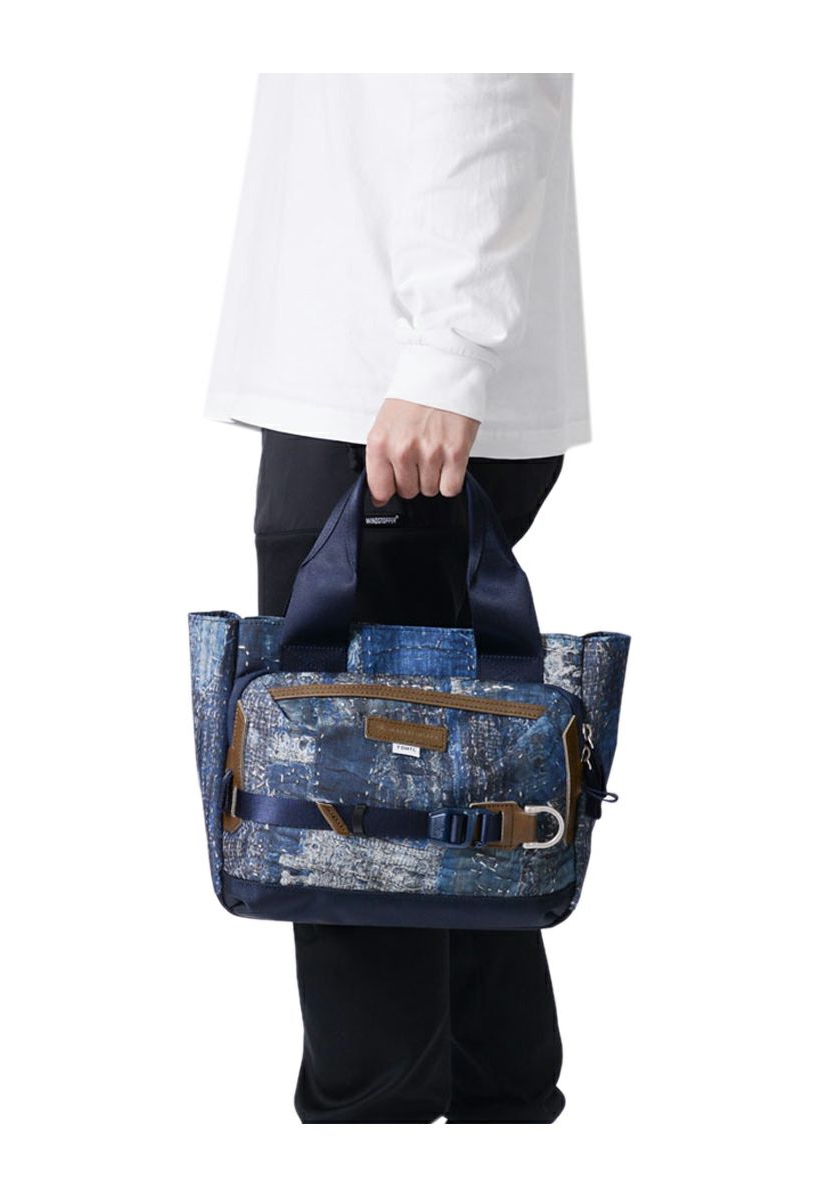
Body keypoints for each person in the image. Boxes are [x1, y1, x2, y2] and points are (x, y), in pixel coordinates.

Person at [206, 74, 591, 1123]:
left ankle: (378, 1129)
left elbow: (486, 70)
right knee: (452, 828)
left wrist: (448, 352)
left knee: (352, 844)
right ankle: (501, 1112)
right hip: (380, 382)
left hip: (388, 398)